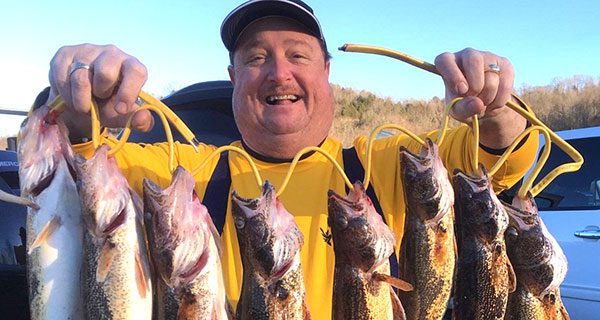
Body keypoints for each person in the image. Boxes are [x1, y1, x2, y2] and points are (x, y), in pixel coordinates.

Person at [43, 0, 537, 317]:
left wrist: (494, 102)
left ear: (327, 71)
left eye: (298, 55)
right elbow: (72, 160)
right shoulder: (182, 175)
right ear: (233, 78)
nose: (278, 73)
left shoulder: (382, 165)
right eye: (256, 58)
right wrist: (77, 94)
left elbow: (495, 154)